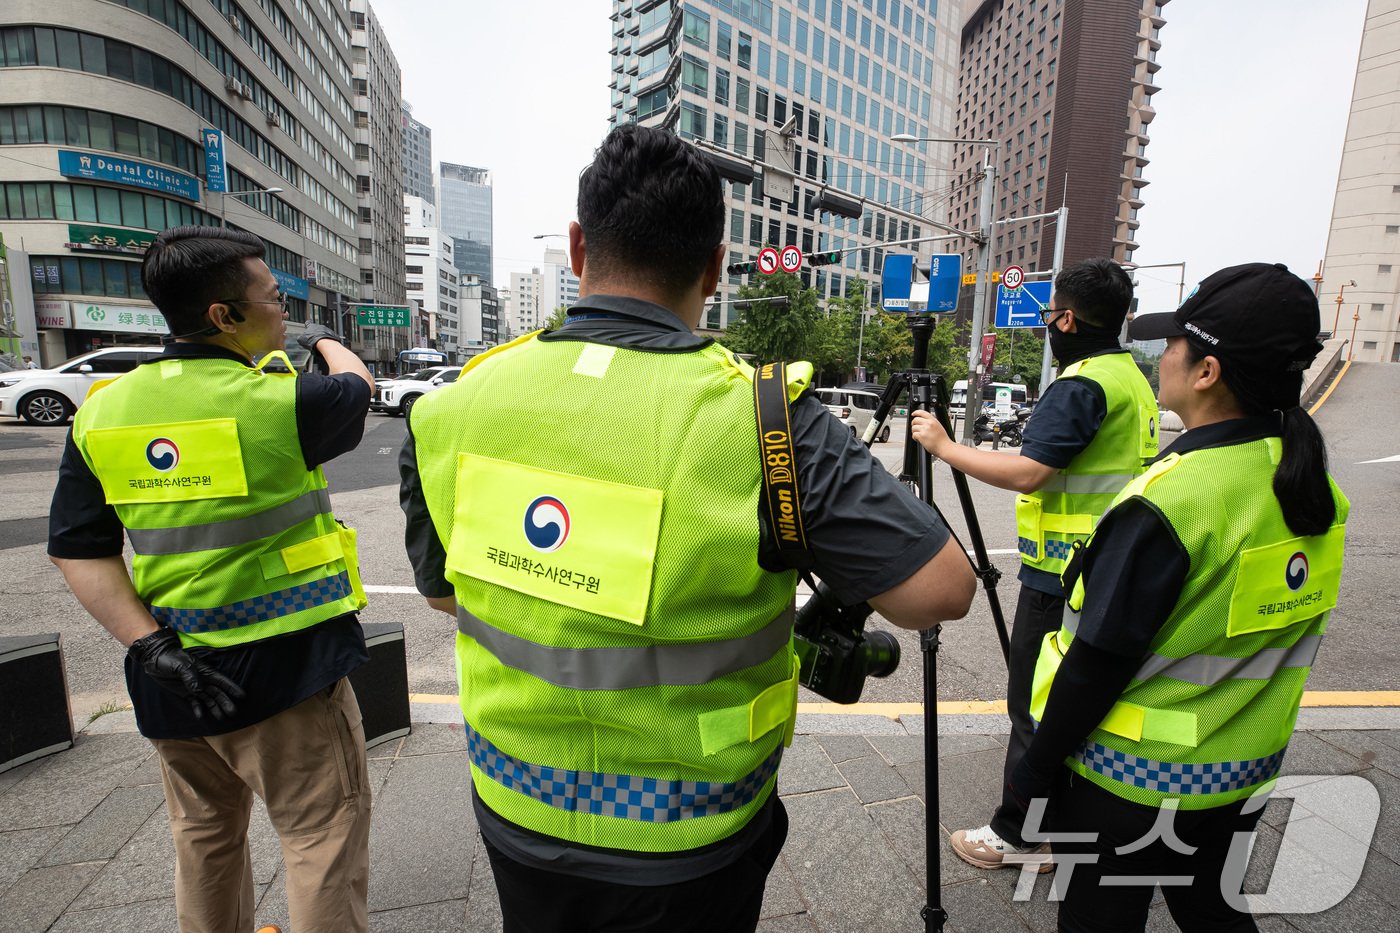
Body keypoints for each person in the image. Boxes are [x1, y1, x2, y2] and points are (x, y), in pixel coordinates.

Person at [399, 123, 976, 933]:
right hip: (690, 832)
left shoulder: (452, 407)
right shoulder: (768, 417)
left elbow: (444, 597)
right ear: (713, 265)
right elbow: (941, 590)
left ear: (576, 247)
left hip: (515, 804)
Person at [994, 262, 1348, 931]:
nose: (1164, 356)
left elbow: (1097, 662)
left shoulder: (1174, 501)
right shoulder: (1313, 488)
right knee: (1212, 908)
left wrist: (1034, 769)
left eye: (1175, 343)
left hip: (1129, 784)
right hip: (1240, 774)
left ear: (1208, 371)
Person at [48, 225, 375, 933]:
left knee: (202, 835)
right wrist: (319, 338)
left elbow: (79, 548)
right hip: (286, 670)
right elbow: (358, 385)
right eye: (272, 297)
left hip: (172, 670)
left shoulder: (103, 410)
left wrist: (150, 646)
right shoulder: (279, 403)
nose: (282, 308)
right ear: (224, 315)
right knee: (319, 837)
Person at [910, 258, 1159, 869]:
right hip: (1108, 568)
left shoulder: (1081, 385)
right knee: (1078, 703)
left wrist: (944, 447)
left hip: (1062, 577)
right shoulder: (1131, 378)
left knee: (1035, 704)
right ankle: (1063, 822)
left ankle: (1017, 835)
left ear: (1068, 319)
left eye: (1052, 315)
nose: (1049, 324)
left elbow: (1029, 471)